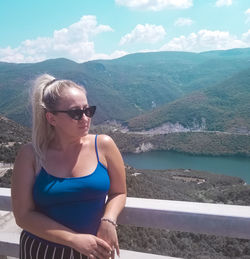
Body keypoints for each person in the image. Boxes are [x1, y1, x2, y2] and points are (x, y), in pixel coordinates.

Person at [11, 74, 127, 259]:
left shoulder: (104, 145)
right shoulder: (31, 155)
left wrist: (109, 220)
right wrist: (73, 239)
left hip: (93, 251)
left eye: (88, 110)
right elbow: (23, 215)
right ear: (51, 118)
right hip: (42, 252)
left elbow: (119, 192)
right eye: (76, 113)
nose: (85, 118)